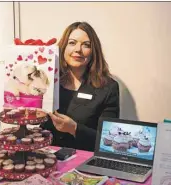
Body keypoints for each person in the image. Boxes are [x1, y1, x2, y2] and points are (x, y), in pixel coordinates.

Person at [42, 22, 120, 151]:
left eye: (86, 45)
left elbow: (108, 141)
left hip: (83, 162)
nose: (78, 49)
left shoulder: (108, 88)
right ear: (63, 47)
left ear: (93, 51)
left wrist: (74, 129)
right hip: (45, 159)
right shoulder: (47, 80)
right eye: (72, 43)